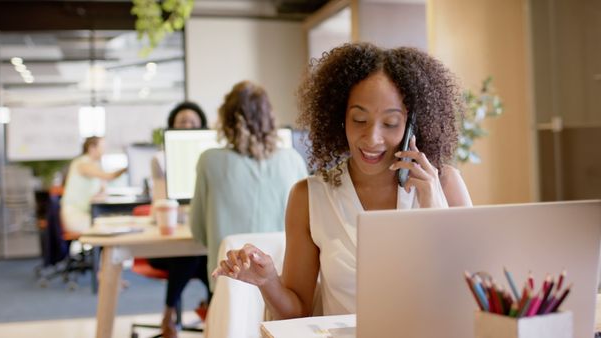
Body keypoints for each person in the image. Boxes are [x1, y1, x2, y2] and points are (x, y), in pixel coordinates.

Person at [212, 43, 473, 319]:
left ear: (413, 125)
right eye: (359, 119)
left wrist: (434, 208)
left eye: (391, 123)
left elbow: (472, 298)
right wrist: (268, 282)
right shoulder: (309, 196)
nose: (372, 138)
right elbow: (296, 313)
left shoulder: (444, 185)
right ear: (340, 117)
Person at [189, 80, 309, 291]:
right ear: (270, 119)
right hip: (283, 285)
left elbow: (198, 231)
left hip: (230, 284)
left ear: (226, 120)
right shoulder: (293, 160)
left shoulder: (209, 161)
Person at [147, 101, 210, 338]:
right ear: (172, 125)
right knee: (189, 255)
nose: (187, 126)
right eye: (182, 121)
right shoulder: (161, 159)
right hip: (168, 245)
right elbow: (162, 201)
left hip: (198, 240)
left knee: (211, 259)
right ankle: (169, 314)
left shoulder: (211, 158)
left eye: (193, 122)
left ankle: (211, 315)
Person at [60, 136, 126, 233]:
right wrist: (127, 168)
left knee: (112, 223)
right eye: (102, 147)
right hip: (75, 215)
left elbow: (102, 188)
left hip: (86, 212)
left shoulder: (94, 165)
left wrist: (102, 192)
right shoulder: (82, 163)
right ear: (92, 148)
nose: (104, 151)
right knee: (110, 228)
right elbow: (109, 176)